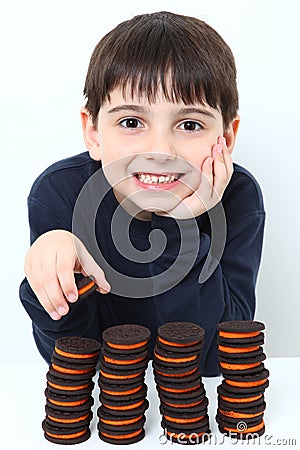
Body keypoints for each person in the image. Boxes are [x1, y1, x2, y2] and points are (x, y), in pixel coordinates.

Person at [19, 11, 265, 376]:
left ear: (226, 139)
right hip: (113, 413)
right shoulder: (59, 195)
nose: (161, 150)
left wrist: (180, 226)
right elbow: (70, 360)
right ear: (93, 133)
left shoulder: (238, 198)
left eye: (190, 124)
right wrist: (48, 276)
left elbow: (218, 359)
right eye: (131, 122)